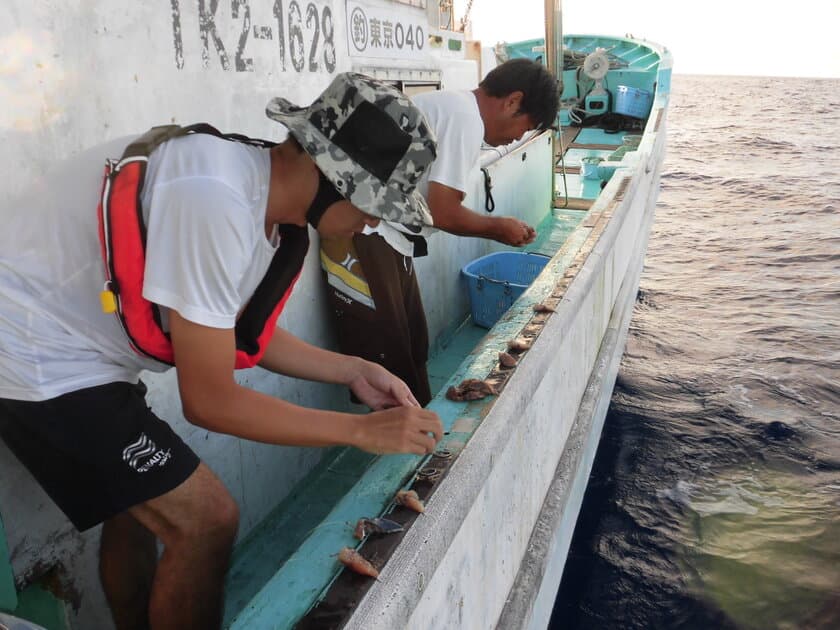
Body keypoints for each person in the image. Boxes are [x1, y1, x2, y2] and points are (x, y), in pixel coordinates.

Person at [0, 73, 443, 630]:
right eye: (372, 201)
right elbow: (209, 402)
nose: (373, 220)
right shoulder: (214, 199)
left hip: (80, 345)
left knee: (136, 506)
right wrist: (357, 431)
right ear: (328, 171)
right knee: (206, 520)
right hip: (32, 346)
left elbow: (233, 330)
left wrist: (352, 368)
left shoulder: (262, 199)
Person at [320, 58, 560, 405]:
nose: (519, 137)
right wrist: (498, 228)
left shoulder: (455, 108)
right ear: (512, 101)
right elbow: (444, 212)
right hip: (363, 236)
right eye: (526, 126)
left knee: (414, 348)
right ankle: (407, 447)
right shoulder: (465, 120)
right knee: (392, 370)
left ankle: (417, 436)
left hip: (389, 238)